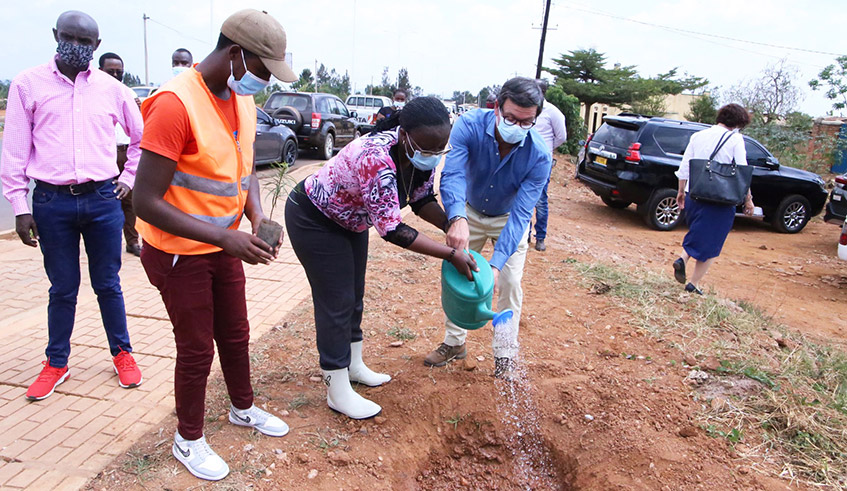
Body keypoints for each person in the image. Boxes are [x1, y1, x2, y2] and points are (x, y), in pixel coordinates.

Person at [132, 9, 296, 481]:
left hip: (223, 246)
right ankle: (188, 439)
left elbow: (245, 173)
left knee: (237, 333)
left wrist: (256, 215)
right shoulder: (174, 103)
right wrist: (225, 236)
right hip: (178, 252)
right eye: (262, 71)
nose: (263, 84)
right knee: (197, 347)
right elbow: (144, 201)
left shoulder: (238, 99)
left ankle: (243, 408)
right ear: (233, 53)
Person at [285, 96, 477, 420]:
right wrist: (450, 254)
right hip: (314, 217)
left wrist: (450, 225)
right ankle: (337, 387)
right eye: (426, 149)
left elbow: (420, 200)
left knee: (355, 295)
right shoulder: (376, 157)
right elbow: (392, 230)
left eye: (438, 151)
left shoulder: (417, 156)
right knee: (337, 301)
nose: (431, 157)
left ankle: (354, 365)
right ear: (404, 135)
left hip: (350, 220)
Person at [0, 11, 144, 401]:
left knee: (108, 284)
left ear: (96, 46)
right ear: (55, 35)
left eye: (85, 42)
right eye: (69, 38)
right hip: (50, 202)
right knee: (62, 288)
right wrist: (19, 205)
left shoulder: (112, 89)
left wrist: (127, 179)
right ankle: (56, 362)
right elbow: (14, 150)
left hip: (101, 199)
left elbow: (140, 139)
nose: (76, 46)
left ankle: (123, 353)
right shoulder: (27, 84)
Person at [426, 77, 552, 378]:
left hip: (508, 218)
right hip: (468, 210)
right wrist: (456, 218)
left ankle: (505, 354)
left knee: (509, 283)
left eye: (526, 122)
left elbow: (522, 214)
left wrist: (495, 266)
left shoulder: (539, 156)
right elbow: (453, 174)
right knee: (461, 276)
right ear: (497, 108)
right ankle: (455, 343)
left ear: (535, 119)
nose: (516, 126)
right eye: (510, 118)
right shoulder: (469, 125)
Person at [673, 103, 754, 295]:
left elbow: (685, 166)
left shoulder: (698, 136)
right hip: (721, 199)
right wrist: (748, 199)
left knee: (698, 232)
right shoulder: (736, 139)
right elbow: (742, 171)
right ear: (739, 122)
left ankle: (683, 259)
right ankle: (693, 283)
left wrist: (681, 190)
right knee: (712, 241)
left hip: (696, 193)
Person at [99, 52, 143, 256]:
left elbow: (140, 130)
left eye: (119, 72)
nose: (116, 75)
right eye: (111, 71)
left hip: (127, 154)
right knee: (106, 201)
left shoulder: (129, 94)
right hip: (104, 156)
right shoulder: (92, 95)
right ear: (101, 71)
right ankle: (107, 246)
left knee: (130, 202)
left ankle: (132, 242)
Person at [529, 79, 567, 252]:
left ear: (543, 92)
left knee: (540, 200)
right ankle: (524, 234)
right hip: (524, 160)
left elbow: (561, 137)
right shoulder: (527, 108)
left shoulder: (553, 112)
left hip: (542, 163)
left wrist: (546, 150)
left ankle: (540, 237)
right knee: (521, 197)